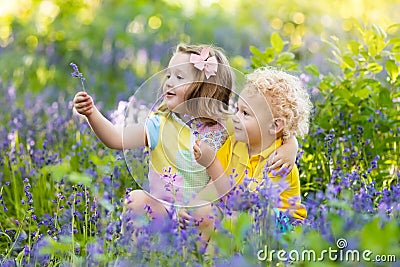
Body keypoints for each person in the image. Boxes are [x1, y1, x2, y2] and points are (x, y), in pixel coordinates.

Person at [73, 44, 299, 229]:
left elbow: (268, 129)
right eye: (168, 74)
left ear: (205, 88)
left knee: (208, 213)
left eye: (179, 76)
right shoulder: (158, 125)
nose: (168, 81)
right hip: (164, 210)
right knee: (136, 200)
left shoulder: (228, 124)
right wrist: (92, 113)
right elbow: (116, 138)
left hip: (204, 213)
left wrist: (290, 148)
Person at [180, 66, 312, 243]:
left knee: (233, 220)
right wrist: (192, 206)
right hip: (243, 220)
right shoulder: (234, 143)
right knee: (203, 212)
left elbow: (242, 204)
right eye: (237, 108)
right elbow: (214, 187)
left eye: (245, 113)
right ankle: (200, 260)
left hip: (281, 227)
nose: (235, 117)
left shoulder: (279, 162)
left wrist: (211, 163)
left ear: (274, 126)